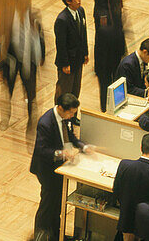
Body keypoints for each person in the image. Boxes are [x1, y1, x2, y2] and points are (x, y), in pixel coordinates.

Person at [30, 92, 90, 240]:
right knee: (47, 204)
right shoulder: (45, 122)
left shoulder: (66, 119)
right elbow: (42, 150)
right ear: (61, 108)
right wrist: (62, 154)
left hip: (60, 168)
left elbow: (72, 137)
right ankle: (41, 236)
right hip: (47, 169)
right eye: (70, 113)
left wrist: (84, 147)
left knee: (57, 204)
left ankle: (57, 235)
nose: (72, 116)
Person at [112, 133, 149, 241]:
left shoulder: (124, 164)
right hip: (146, 229)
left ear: (141, 147)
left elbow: (116, 190)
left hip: (125, 223)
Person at [54, 0, 88, 100]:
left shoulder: (80, 11)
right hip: (68, 62)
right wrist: (65, 64)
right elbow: (61, 44)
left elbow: (83, 34)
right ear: (68, 1)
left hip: (78, 59)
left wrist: (85, 53)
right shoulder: (62, 20)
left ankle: (72, 117)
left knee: (75, 90)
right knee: (64, 92)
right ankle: (60, 117)